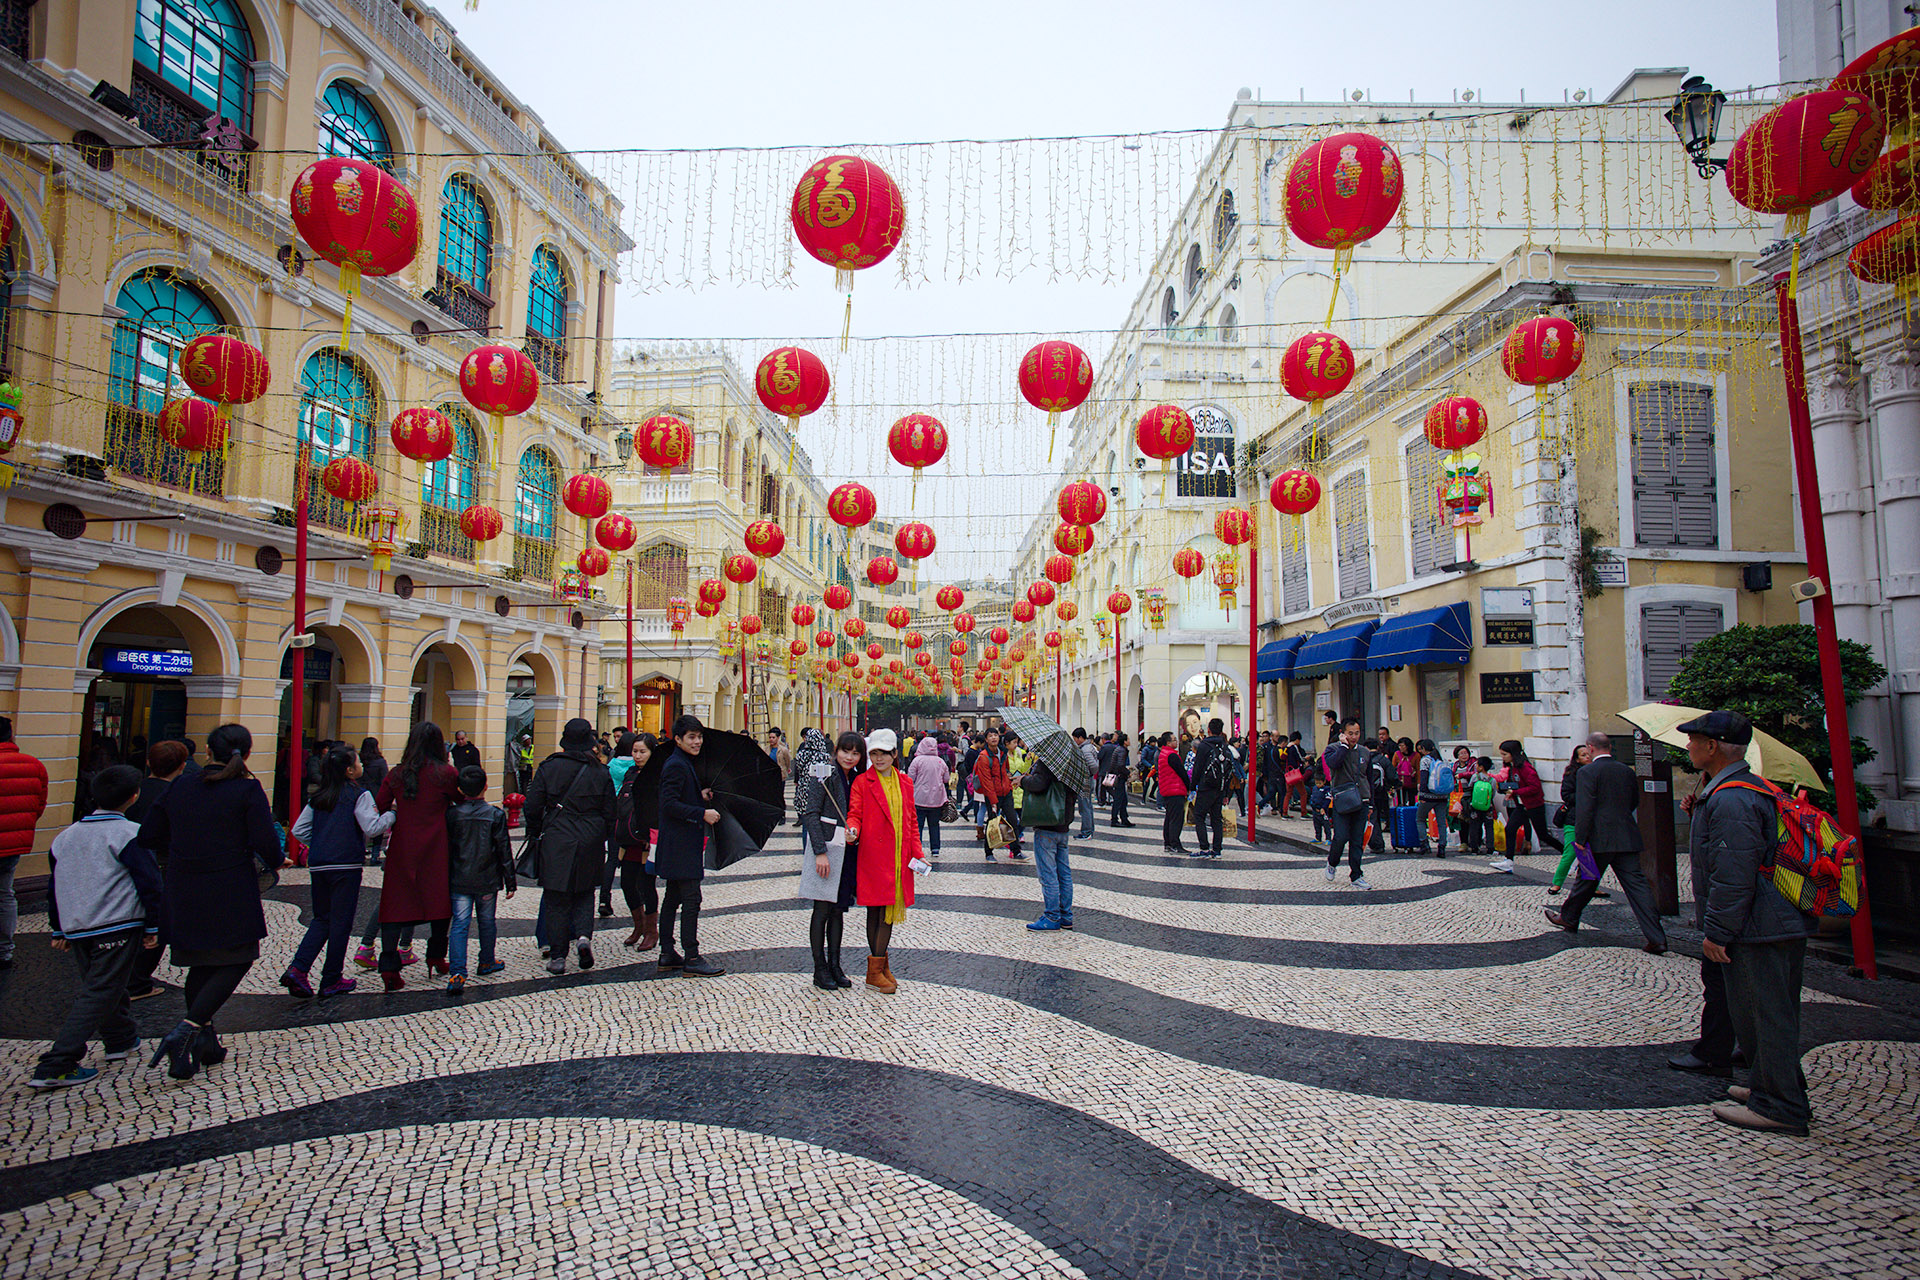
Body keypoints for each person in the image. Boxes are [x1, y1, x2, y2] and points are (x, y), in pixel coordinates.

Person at [1676, 711, 1816, 1135]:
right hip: (1766, 920)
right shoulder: (1739, 789)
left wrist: (1718, 932)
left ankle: (1780, 1106)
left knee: (1764, 1015)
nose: (1688, 747)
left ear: (1713, 746)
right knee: (1762, 1013)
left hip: (1758, 925)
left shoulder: (1734, 798)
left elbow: (1734, 872)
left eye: (1694, 740)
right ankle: (1768, 1087)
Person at [138, 723, 282, 1080]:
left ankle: (205, 1042)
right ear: (246, 753)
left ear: (207, 751)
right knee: (238, 957)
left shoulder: (182, 786)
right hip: (230, 884)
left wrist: (184, 847)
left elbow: (148, 834)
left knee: (201, 964)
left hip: (185, 884)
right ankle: (186, 1031)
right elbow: (268, 846)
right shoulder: (246, 789)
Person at [28, 765, 165, 1089]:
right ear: (134, 797)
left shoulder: (64, 837)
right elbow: (149, 883)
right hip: (115, 922)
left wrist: (58, 927)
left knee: (106, 983)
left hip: (79, 923)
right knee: (99, 989)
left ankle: (121, 1039)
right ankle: (58, 1062)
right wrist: (153, 925)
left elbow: (53, 886)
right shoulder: (129, 834)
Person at [284, 744, 394, 1000]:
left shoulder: (320, 797)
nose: (362, 766)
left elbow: (299, 831)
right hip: (346, 865)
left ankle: (298, 967)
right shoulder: (359, 795)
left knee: (322, 918)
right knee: (341, 922)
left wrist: (322, 842)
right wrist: (391, 816)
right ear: (348, 770)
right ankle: (331, 978)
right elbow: (372, 827)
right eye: (357, 763)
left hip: (320, 864)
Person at [1545, 732, 1667, 953]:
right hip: (1626, 837)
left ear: (1591, 748)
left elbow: (1585, 807)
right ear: (1609, 747)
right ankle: (1656, 937)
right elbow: (1633, 801)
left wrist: (1580, 839)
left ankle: (1569, 917)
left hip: (1594, 840)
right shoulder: (1625, 771)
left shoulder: (1587, 772)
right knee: (1637, 887)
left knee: (1587, 878)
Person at [372, 722, 461, 990]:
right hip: (436, 844)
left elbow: (380, 805)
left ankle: (389, 967)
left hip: (403, 845)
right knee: (439, 902)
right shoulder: (446, 773)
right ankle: (436, 955)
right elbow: (460, 799)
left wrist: (397, 815)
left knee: (395, 904)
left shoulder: (397, 774)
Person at [524, 718, 616, 977]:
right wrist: (603, 836)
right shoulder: (600, 771)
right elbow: (611, 811)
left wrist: (535, 831)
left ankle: (557, 956)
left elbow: (532, 805)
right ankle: (584, 938)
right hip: (590, 837)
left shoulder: (548, 767)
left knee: (556, 897)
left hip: (558, 836)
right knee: (585, 893)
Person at [845, 728, 924, 992]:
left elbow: (912, 821)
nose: (879, 759)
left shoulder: (905, 783)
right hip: (873, 856)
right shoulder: (862, 782)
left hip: (898, 857)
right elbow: (855, 812)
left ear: (894, 755)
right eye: (874, 754)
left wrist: (918, 853)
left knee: (888, 912)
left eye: (884, 754)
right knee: (876, 911)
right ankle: (874, 971)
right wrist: (852, 829)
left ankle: (881, 965)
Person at [654, 714, 725, 977]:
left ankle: (667, 952)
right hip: (681, 845)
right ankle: (692, 956)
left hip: (678, 844)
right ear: (678, 739)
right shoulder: (676, 764)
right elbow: (668, 804)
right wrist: (701, 813)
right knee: (691, 900)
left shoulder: (683, 762)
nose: (697, 742)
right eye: (692, 737)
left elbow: (677, 797)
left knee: (672, 898)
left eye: (699, 736)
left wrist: (700, 795)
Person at [798, 730, 863, 990]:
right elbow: (810, 813)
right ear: (835, 751)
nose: (850, 757)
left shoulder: (856, 778)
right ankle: (819, 968)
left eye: (856, 752)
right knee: (822, 910)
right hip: (826, 848)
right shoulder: (824, 774)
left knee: (838, 910)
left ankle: (835, 964)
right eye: (846, 751)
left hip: (847, 850)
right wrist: (819, 852)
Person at [444, 765, 513, 993]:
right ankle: (486, 961)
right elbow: (503, 849)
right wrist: (510, 881)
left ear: (459, 789)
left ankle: (457, 971)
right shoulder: (494, 815)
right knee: (486, 921)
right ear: (485, 787)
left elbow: (448, 848)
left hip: (460, 876)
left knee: (460, 923)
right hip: (486, 877)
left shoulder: (452, 815)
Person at [0, 715, 49, 971]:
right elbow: (37, 807)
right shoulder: (34, 766)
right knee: (5, 895)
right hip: (13, 844)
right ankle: (4, 951)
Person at [1020, 750, 1076, 931]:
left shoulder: (1048, 761)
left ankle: (1052, 916)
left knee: (1048, 873)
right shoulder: (1071, 764)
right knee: (1064, 872)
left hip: (1047, 823)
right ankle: (1066, 915)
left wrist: (1022, 780)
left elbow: (1038, 784)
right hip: (1064, 823)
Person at [1489, 740, 1561, 873]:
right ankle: (1509, 861)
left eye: (1504, 754)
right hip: (1522, 806)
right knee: (1510, 829)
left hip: (1534, 806)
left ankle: (1568, 854)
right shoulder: (1513, 767)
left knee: (1543, 835)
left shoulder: (1526, 768)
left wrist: (1516, 792)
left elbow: (1535, 787)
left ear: (1513, 754)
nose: (1502, 757)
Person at [1323, 718, 1373, 890]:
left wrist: (1370, 802)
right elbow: (1333, 764)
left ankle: (1356, 875)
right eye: (1350, 733)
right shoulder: (1333, 749)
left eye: (1357, 733)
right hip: (1342, 800)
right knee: (1341, 836)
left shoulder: (1365, 752)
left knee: (1357, 840)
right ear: (1342, 733)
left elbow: (1369, 777)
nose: (1354, 737)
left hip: (1362, 800)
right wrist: (1344, 747)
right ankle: (1332, 862)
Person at [1549, 745, 1600, 895]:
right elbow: (1566, 795)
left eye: (1588, 754)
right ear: (1577, 759)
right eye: (1583, 755)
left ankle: (1591, 887)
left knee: (1587, 853)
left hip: (1592, 818)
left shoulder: (1596, 771)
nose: (1587, 757)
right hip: (1574, 818)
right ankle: (1557, 883)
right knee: (1570, 852)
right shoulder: (1572, 774)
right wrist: (1586, 797)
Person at [1189, 718, 1237, 858]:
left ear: (1208, 730)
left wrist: (1193, 786)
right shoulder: (1225, 747)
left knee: (1199, 816)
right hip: (1220, 788)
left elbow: (1197, 767)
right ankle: (1217, 850)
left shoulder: (1204, 746)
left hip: (1206, 787)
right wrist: (1227, 793)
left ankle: (1204, 848)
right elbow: (1228, 770)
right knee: (1216, 819)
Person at [970, 728, 1015, 862]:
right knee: (992, 823)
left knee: (1013, 821)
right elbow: (986, 781)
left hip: (1006, 792)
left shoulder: (1003, 753)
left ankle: (1016, 849)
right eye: (991, 736)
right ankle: (989, 852)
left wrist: (1009, 785)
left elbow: (1006, 770)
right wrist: (993, 800)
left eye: (996, 735)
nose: (994, 738)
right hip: (993, 795)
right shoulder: (984, 756)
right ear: (986, 739)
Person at [906, 731, 948, 859]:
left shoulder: (917, 760)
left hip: (919, 798)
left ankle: (916, 848)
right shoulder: (940, 762)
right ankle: (935, 849)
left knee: (918, 825)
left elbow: (910, 778)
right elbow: (946, 779)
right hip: (936, 799)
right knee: (934, 825)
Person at [1415, 739, 1453, 857]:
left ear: (1423, 748)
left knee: (1420, 819)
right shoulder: (1443, 760)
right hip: (1442, 796)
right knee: (1441, 822)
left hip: (1429, 796)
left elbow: (1424, 778)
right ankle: (1442, 847)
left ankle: (1424, 844)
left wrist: (1422, 795)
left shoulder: (1425, 760)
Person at [1155, 730, 1190, 855]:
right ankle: (1175, 844)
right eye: (1174, 739)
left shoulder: (1163, 754)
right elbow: (1181, 772)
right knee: (1176, 819)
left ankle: (1168, 843)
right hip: (1175, 789)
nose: (1177, 741)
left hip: (1167, 789)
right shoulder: (1172, 755)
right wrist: (1189, 786)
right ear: (1168, 742)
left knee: (1170, 817)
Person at [1070, 728, 1100, 840]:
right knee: (1088, 806)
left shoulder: (1085, 749)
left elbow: (1093, 765)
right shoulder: (1088, 747)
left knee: (1085, 807)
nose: (1075, 741)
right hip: (1087, 779)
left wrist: (1088, 774)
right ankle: (1089, 830)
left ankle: (1086, 831)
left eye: (1075, 739)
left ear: (1080, 738)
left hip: (1085, 780)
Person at [1099, 733, 1133, 828]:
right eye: (1128, 739)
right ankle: (1114, 820)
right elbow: (1120, 765)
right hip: (1119, 777)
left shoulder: (1120, 749)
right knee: (1118, 799)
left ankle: (1124, 818)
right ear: (1125, 742)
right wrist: (1128, 772)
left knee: (1123, 799)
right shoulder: (1122, 750)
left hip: (1117, 776)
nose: (1130, 741)